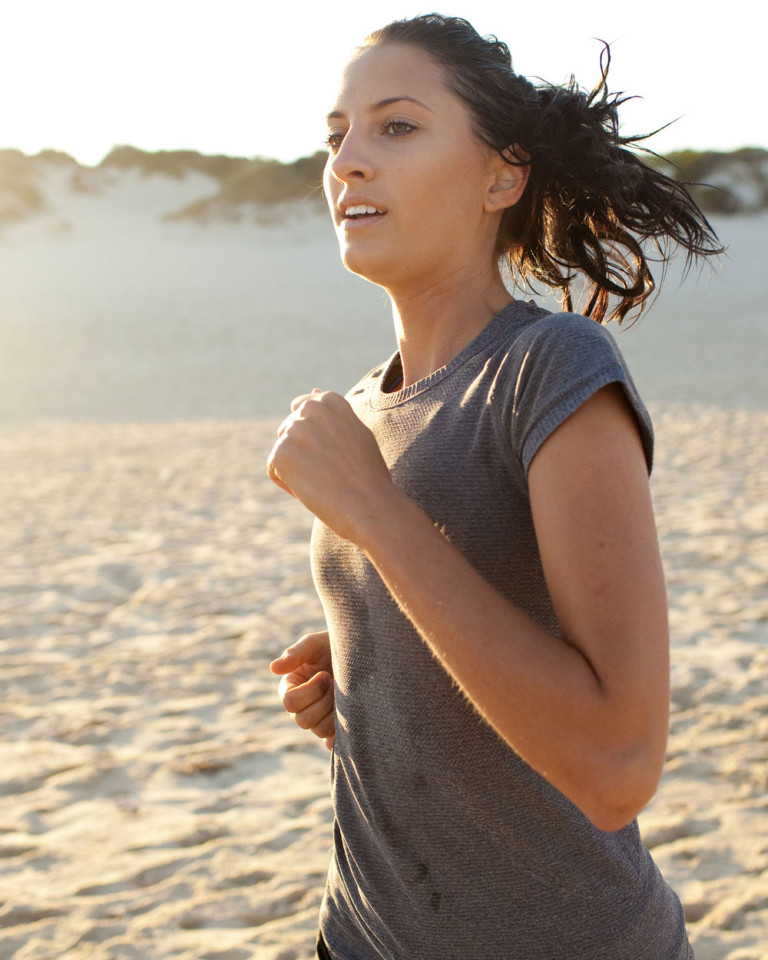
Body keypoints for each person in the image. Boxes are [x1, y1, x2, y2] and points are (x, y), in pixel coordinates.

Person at [267, 14, 721, 959]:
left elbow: (616, 762)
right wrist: (374, 672)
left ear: (502, 174)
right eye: (336, 134)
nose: (349, 160)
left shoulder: (549, 366)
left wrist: (375, 515)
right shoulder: (365, 405)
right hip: (357, 935)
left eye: (396, 126)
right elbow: (468, 624)